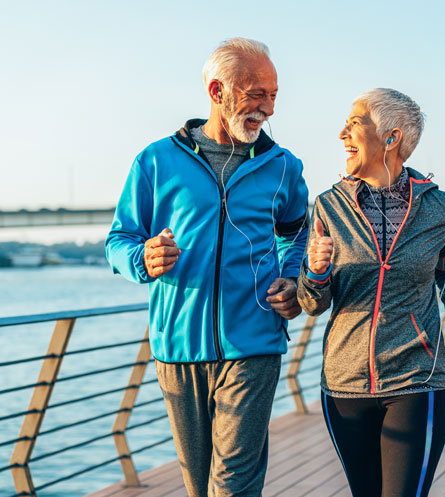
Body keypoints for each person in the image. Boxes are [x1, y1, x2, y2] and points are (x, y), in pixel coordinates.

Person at [105, 38, 309, 497]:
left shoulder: (283, 167)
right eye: (256, 93)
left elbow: (296, 231)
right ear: (217, 91)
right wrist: (142, 258)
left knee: (233, 483)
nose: (268, 108)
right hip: (177, 348)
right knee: (200, 485)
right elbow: (118, 240)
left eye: (273, 95)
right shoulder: (156, 161)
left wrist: (292, 278)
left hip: (254, 342)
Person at [297, 88, 445, 497]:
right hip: (345, 385)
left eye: (355, 122)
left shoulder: (443, 209)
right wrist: (316, 271)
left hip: (418, 378)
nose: (342, 133)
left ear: (392, 137)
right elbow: (311, 303)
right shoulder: (328, 206)